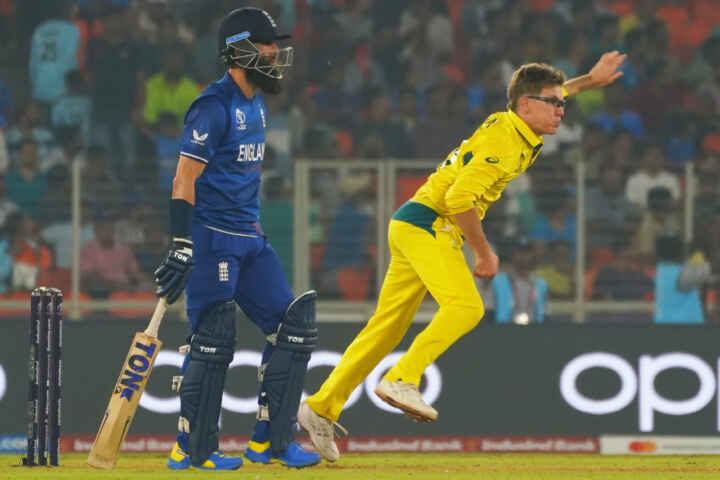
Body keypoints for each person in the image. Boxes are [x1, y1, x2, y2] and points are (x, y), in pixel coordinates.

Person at [297, 51, 627, 462]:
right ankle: (402, 378)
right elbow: (458, 200)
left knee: (384, 331)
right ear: (526, 105)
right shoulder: (504, 142)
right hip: (430, 225)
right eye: (554, 103)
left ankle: (321, 407)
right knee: (467, 307)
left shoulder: (517, 124)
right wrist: (483, 252)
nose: (561, 110)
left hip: (412, 222)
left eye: (563, 102)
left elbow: (547, 96)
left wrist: (588, 81)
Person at [152, 7, 320, 471]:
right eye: (265, 44)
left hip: (250, 236)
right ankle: (192, 449)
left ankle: (270, 443)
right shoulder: (213, 106)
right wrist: (181, 243)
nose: (274, 52)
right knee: (212, 340)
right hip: (212, 239)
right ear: (238, 50)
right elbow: (183, 179)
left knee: (294, 328)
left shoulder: (257, 104)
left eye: (275, 44)